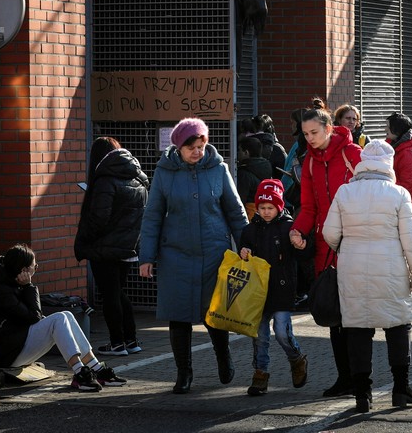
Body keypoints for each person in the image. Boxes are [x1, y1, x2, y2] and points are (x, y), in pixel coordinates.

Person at [139, 117, 248, 394]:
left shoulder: (218, 169)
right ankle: (183, 373)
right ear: (178, 147)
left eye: (201, 146)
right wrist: (146, 257)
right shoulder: (164, 172)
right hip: (175, 254)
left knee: (214, 314)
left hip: (214, 253)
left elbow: (235, 212)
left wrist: (247, 246)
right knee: (179, 315)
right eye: (191, 148)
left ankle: (224, 358)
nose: (197, 152)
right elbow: (152, 217)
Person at [322, 140, 412, 414]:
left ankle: (362, 394)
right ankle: (400, 389)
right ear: (389, 164)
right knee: (398, 326)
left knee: (357, 329)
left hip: (353, 269)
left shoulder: (345, 192)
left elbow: (330, 233)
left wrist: (348, 247)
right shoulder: (399, 194)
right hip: (391, 270)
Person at [0, 243, 128, 391]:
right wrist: (29, 286)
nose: (36, 269)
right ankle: (79, 373)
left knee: (66, 315)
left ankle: (96, 368)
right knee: (58, 319)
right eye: (35, 266)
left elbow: (29, 317)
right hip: (7, 354)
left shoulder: (12, 283)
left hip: (17, 344)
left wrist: (26, 288)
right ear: (24, 270)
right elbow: (34, 316)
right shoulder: (1, 291)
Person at [289, 101, 363, 398]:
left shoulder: (353, 154)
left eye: (314, 132)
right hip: (325, 247)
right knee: (334, 314)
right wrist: (298, 229)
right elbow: (309, 207)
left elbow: (370, 194)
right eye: (305, 134)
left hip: (356, 244)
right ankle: (344, 378)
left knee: (356, 317)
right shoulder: (308, 161)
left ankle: (361, 379)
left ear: (329, 128)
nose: (310, 138)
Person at [74, 136, 148, 357]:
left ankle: (117, 342)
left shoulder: (105, 180)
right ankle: (131, 340)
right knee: (118, 292)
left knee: (110, 295)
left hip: (105, 247)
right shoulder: (138, 177)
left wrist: (85, 239)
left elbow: (99, 218)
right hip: (128, 246)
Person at [239, 179, 308, 396]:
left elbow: (303, 256)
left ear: (279, 207)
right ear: (256, 208)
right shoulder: (250, 230)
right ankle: (260, 374)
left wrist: (301, 244)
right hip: (257, 292)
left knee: (281, 332)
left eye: (271, 208)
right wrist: (244, 252)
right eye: (262, 208)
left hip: (282, 289)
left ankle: (296, 358)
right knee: (259, 336)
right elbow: (244, 250)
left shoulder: (289, 228)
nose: (266, 212)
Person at [387, 112, 412, 206]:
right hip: (396, 198)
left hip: (401, 202)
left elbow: (408, 186)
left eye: (388, 126)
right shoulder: (395, 145)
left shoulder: (407, 153)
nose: (385, 129)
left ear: (396, 129)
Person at [237, 135, 273, 219]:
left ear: (246, 153)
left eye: (239, 150)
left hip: (249, 216)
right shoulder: (267, 167)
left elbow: (240, 201)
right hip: (265, 214)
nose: (237, 153)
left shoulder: (244, 173)